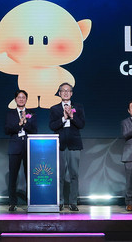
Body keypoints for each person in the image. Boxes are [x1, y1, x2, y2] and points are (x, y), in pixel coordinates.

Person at [48, 82, 85, 211]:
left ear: (71, 93)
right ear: (59, 93)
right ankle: (60, 201)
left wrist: (72, 116)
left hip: (74, 145)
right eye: (63, 90)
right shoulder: (54, 109)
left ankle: (73, 202)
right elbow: (52, 126)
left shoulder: (78, 107)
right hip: (60, 145)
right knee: (60, 175)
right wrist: (63, 118)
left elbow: (81, 125)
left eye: (68, 90)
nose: (65, 92)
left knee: (74, 174)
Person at [5, 89, 37, 212]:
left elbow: (34, 130)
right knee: (13, 176)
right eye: (19, 97)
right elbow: (7, 130)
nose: (21, 99)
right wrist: (19, 124)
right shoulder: (10, 114)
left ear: (26, 99)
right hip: (15, 148)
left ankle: (31, 201)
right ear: (15, 99)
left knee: (29, 176)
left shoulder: (31, 113)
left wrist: (25, 122)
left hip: (28, 147)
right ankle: (12, 203)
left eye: (23, 97)